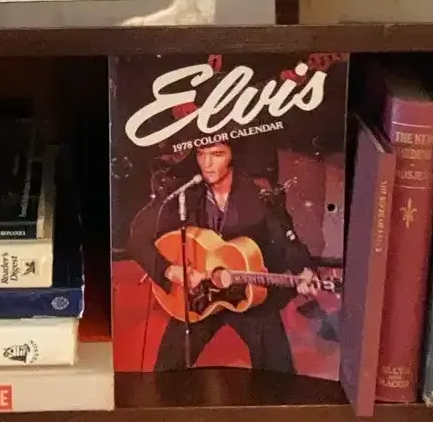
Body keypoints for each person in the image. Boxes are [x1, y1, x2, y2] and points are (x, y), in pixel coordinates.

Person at [131, 140, 320, 374]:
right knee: (167, 371)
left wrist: (304, 269)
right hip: (197, 295)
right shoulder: (184, 192)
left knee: (278, 372)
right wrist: (169, 270)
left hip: (247, 293)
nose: (207, 164)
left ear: (232, 156)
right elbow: (137, 239)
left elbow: (285, 239)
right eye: (201, 154)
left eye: (217, 154)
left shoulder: (258, 192)